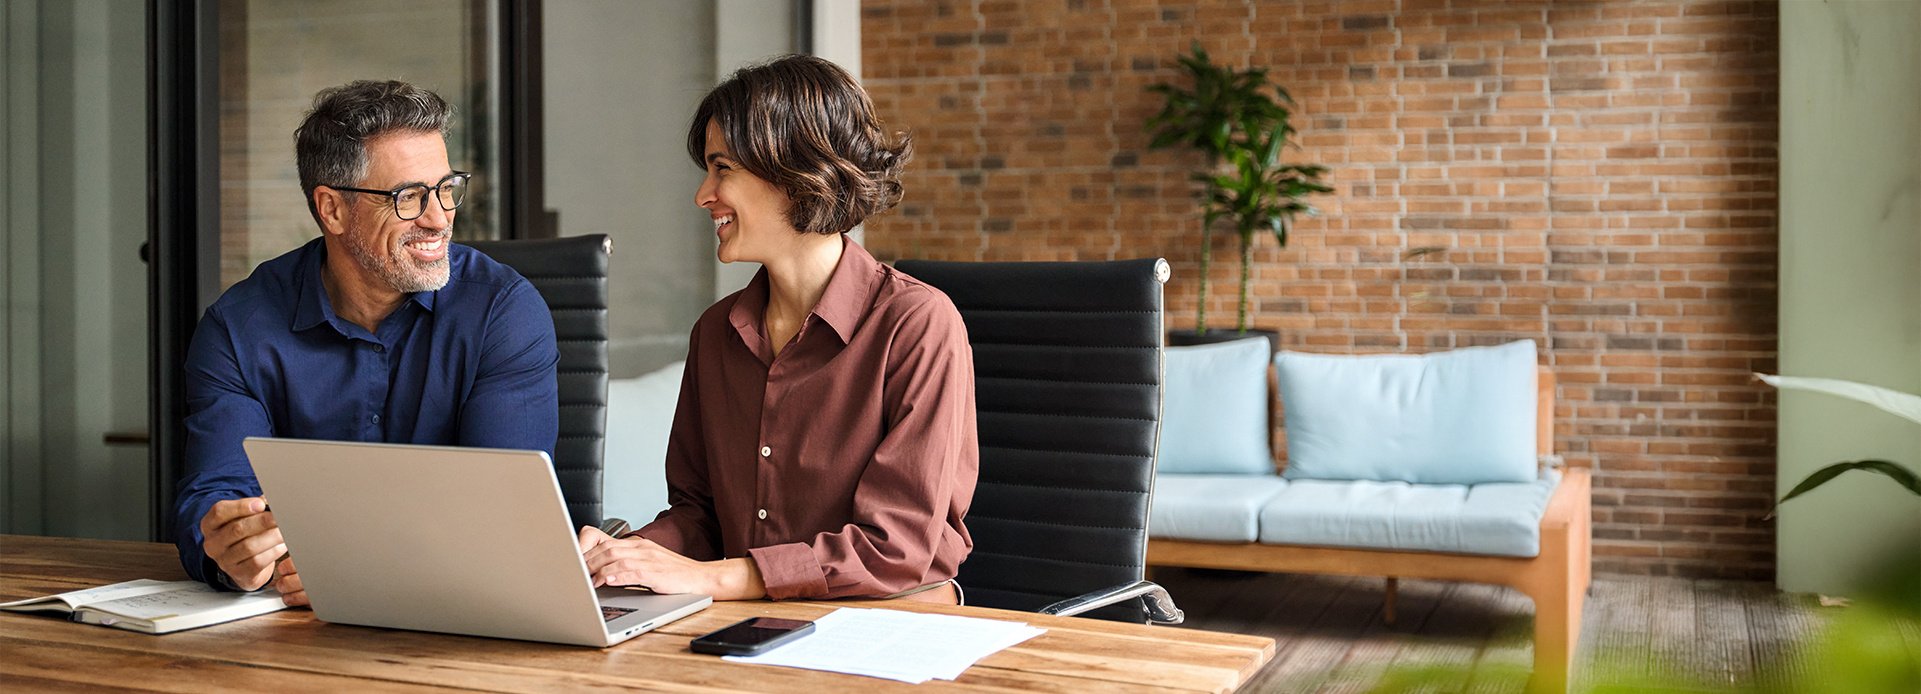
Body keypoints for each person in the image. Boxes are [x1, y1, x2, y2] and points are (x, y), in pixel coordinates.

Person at [576, 55, 978, 604]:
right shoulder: (716, 332)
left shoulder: (916, 325)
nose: (703, 195)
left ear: (792, 174)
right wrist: (620, 558)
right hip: (749, 617)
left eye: (722, 169)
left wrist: (712, 578)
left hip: (889, 621)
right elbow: (701, 516)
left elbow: (894, 546)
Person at [173, 80, 559, 605]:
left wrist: (360, 564)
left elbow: (508, 511)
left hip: (468, 621)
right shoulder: (238, 328)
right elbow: (215, 497)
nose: (439, 217)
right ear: (331, 209)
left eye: (447, 188)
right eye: (408, 197)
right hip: (292, 633)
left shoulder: (502, 311)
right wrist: (234, 555)